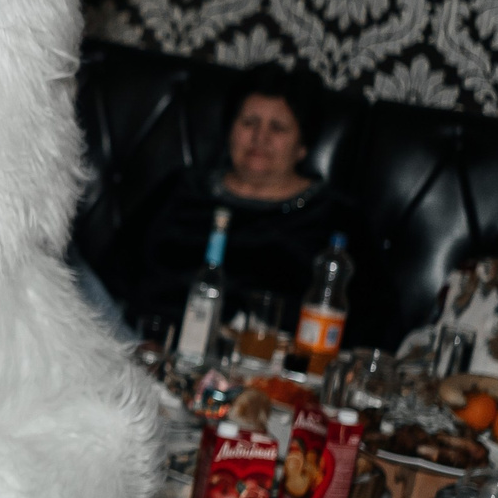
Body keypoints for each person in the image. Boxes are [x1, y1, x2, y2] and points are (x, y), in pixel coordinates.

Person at [109, 63, 361, 325]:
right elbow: (112, 275)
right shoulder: (181, 187)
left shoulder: (335, 217)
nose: (259, 138)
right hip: (137, 342)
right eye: (249, 123)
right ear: (230, 130)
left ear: (303, 146)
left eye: (278, 128)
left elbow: (371, 323)